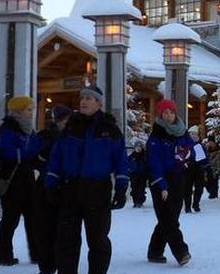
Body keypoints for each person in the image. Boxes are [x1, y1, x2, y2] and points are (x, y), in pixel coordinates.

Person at [45, 86, 129, 274]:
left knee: (98, 240)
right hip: (71, 189)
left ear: (99, 103)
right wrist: (51, 183)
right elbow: (56, 157)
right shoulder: (71, 127)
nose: (84, 101)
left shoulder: (110, 129)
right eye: (82, 97)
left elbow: (121, 160)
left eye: (89, 98)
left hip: (97, 189)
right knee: (66, 240)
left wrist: (122, 187)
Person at [0, 96, 38, 267]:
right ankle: (2, 254)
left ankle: (37, 253)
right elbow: (6, 152)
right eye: (28, 109)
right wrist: (28, 153)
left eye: (31, 109)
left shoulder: (28, 130)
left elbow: (34, 147)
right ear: (18, 111)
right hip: (11, 178)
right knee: (11, 218)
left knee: (33, 216)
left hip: (26, 177)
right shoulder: (8, 128)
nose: (31, 113)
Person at [146, 99, 193, 266]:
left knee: (169, 218)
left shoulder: (182, 132)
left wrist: (188, 158)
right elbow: (154, 161)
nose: (169, 115)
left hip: (178, 178)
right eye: (165, 112)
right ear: (161, 114)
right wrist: (162, 185)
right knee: (168, 219)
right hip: (161, 180)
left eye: (171, 112)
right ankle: (181, 252)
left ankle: (155, 251)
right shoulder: (156, 136)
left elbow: (190, 149)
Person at [27, 104, 71, 274]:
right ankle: (47, 265)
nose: (66, 123)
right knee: (46, 228)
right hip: (46, 186)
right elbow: (30, 157)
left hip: (67, 186)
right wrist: (42, 160)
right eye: (63, 119)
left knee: (64, 229)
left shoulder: (73, 136)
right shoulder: (44, 136)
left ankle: (61, 263)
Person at [182, 126, 211, 214]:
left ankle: (196, 204)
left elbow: (205, 158)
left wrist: (207, 168)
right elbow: (181, 157)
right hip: (188, 169)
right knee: (187, 189)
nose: (193, 136)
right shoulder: (185, 145)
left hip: (199, 169)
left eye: (195, 134)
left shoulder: (200, 146)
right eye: (191, 134)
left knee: (199, 188)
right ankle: (187, 207)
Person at [127, 140, 148, 208]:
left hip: (142, 175)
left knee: (141, 189)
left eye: (140, 147)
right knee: (134, 189)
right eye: (137, 147)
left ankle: (140, 201)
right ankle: (135, 201)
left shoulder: (145, 156)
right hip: (134, 175)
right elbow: (128, 164)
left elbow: (147, 165)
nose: (138, 148)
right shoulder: (131, 156)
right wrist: (129, 171)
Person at [203, 136, 220, 200]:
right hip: (208, 167)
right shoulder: (207, 149)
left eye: (211, 142)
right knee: (207, 181)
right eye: (209, 142)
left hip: (216, 167)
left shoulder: (218, 148)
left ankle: (214, 194)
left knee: (215, 181)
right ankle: (211, 191)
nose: (210, 143)